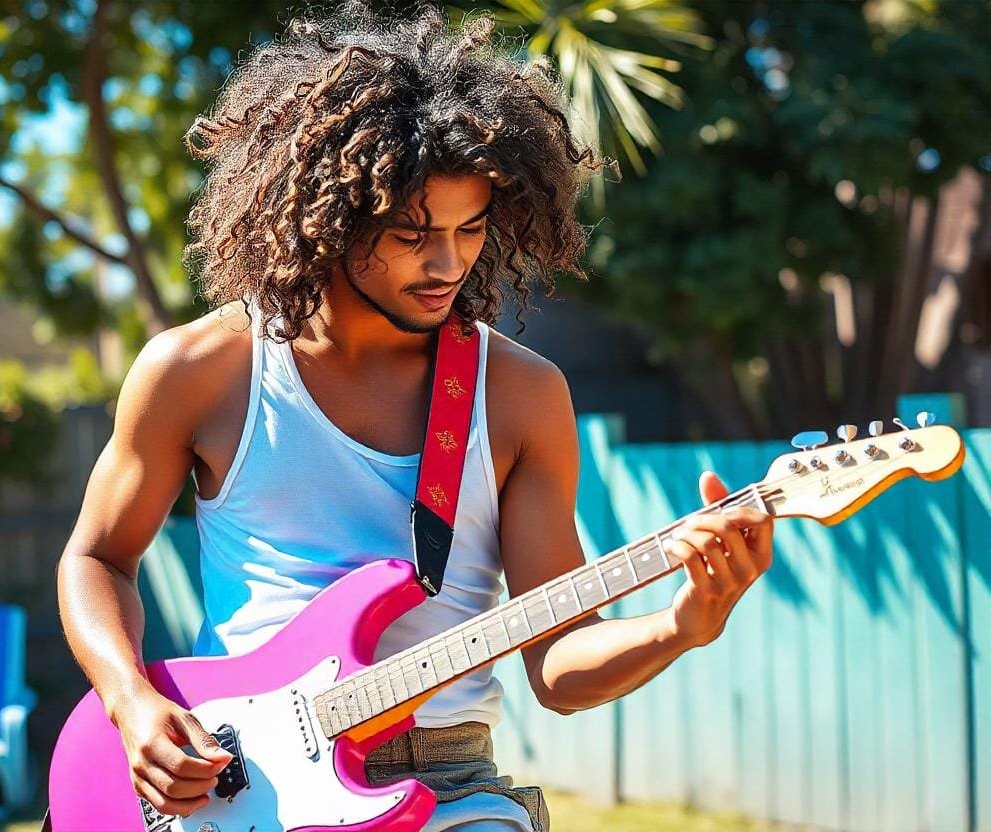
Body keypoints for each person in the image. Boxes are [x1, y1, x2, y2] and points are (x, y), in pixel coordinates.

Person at [55, 3, 775, 830]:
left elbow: (560, 668)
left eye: (471, 229)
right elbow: (96, 556)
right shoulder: (200, 371)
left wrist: (682, 625)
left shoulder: (520, 396)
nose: (448, 262)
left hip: (451, 787)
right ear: (323, 215)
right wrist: (129, 699)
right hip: (239, 787)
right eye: (411, 232)